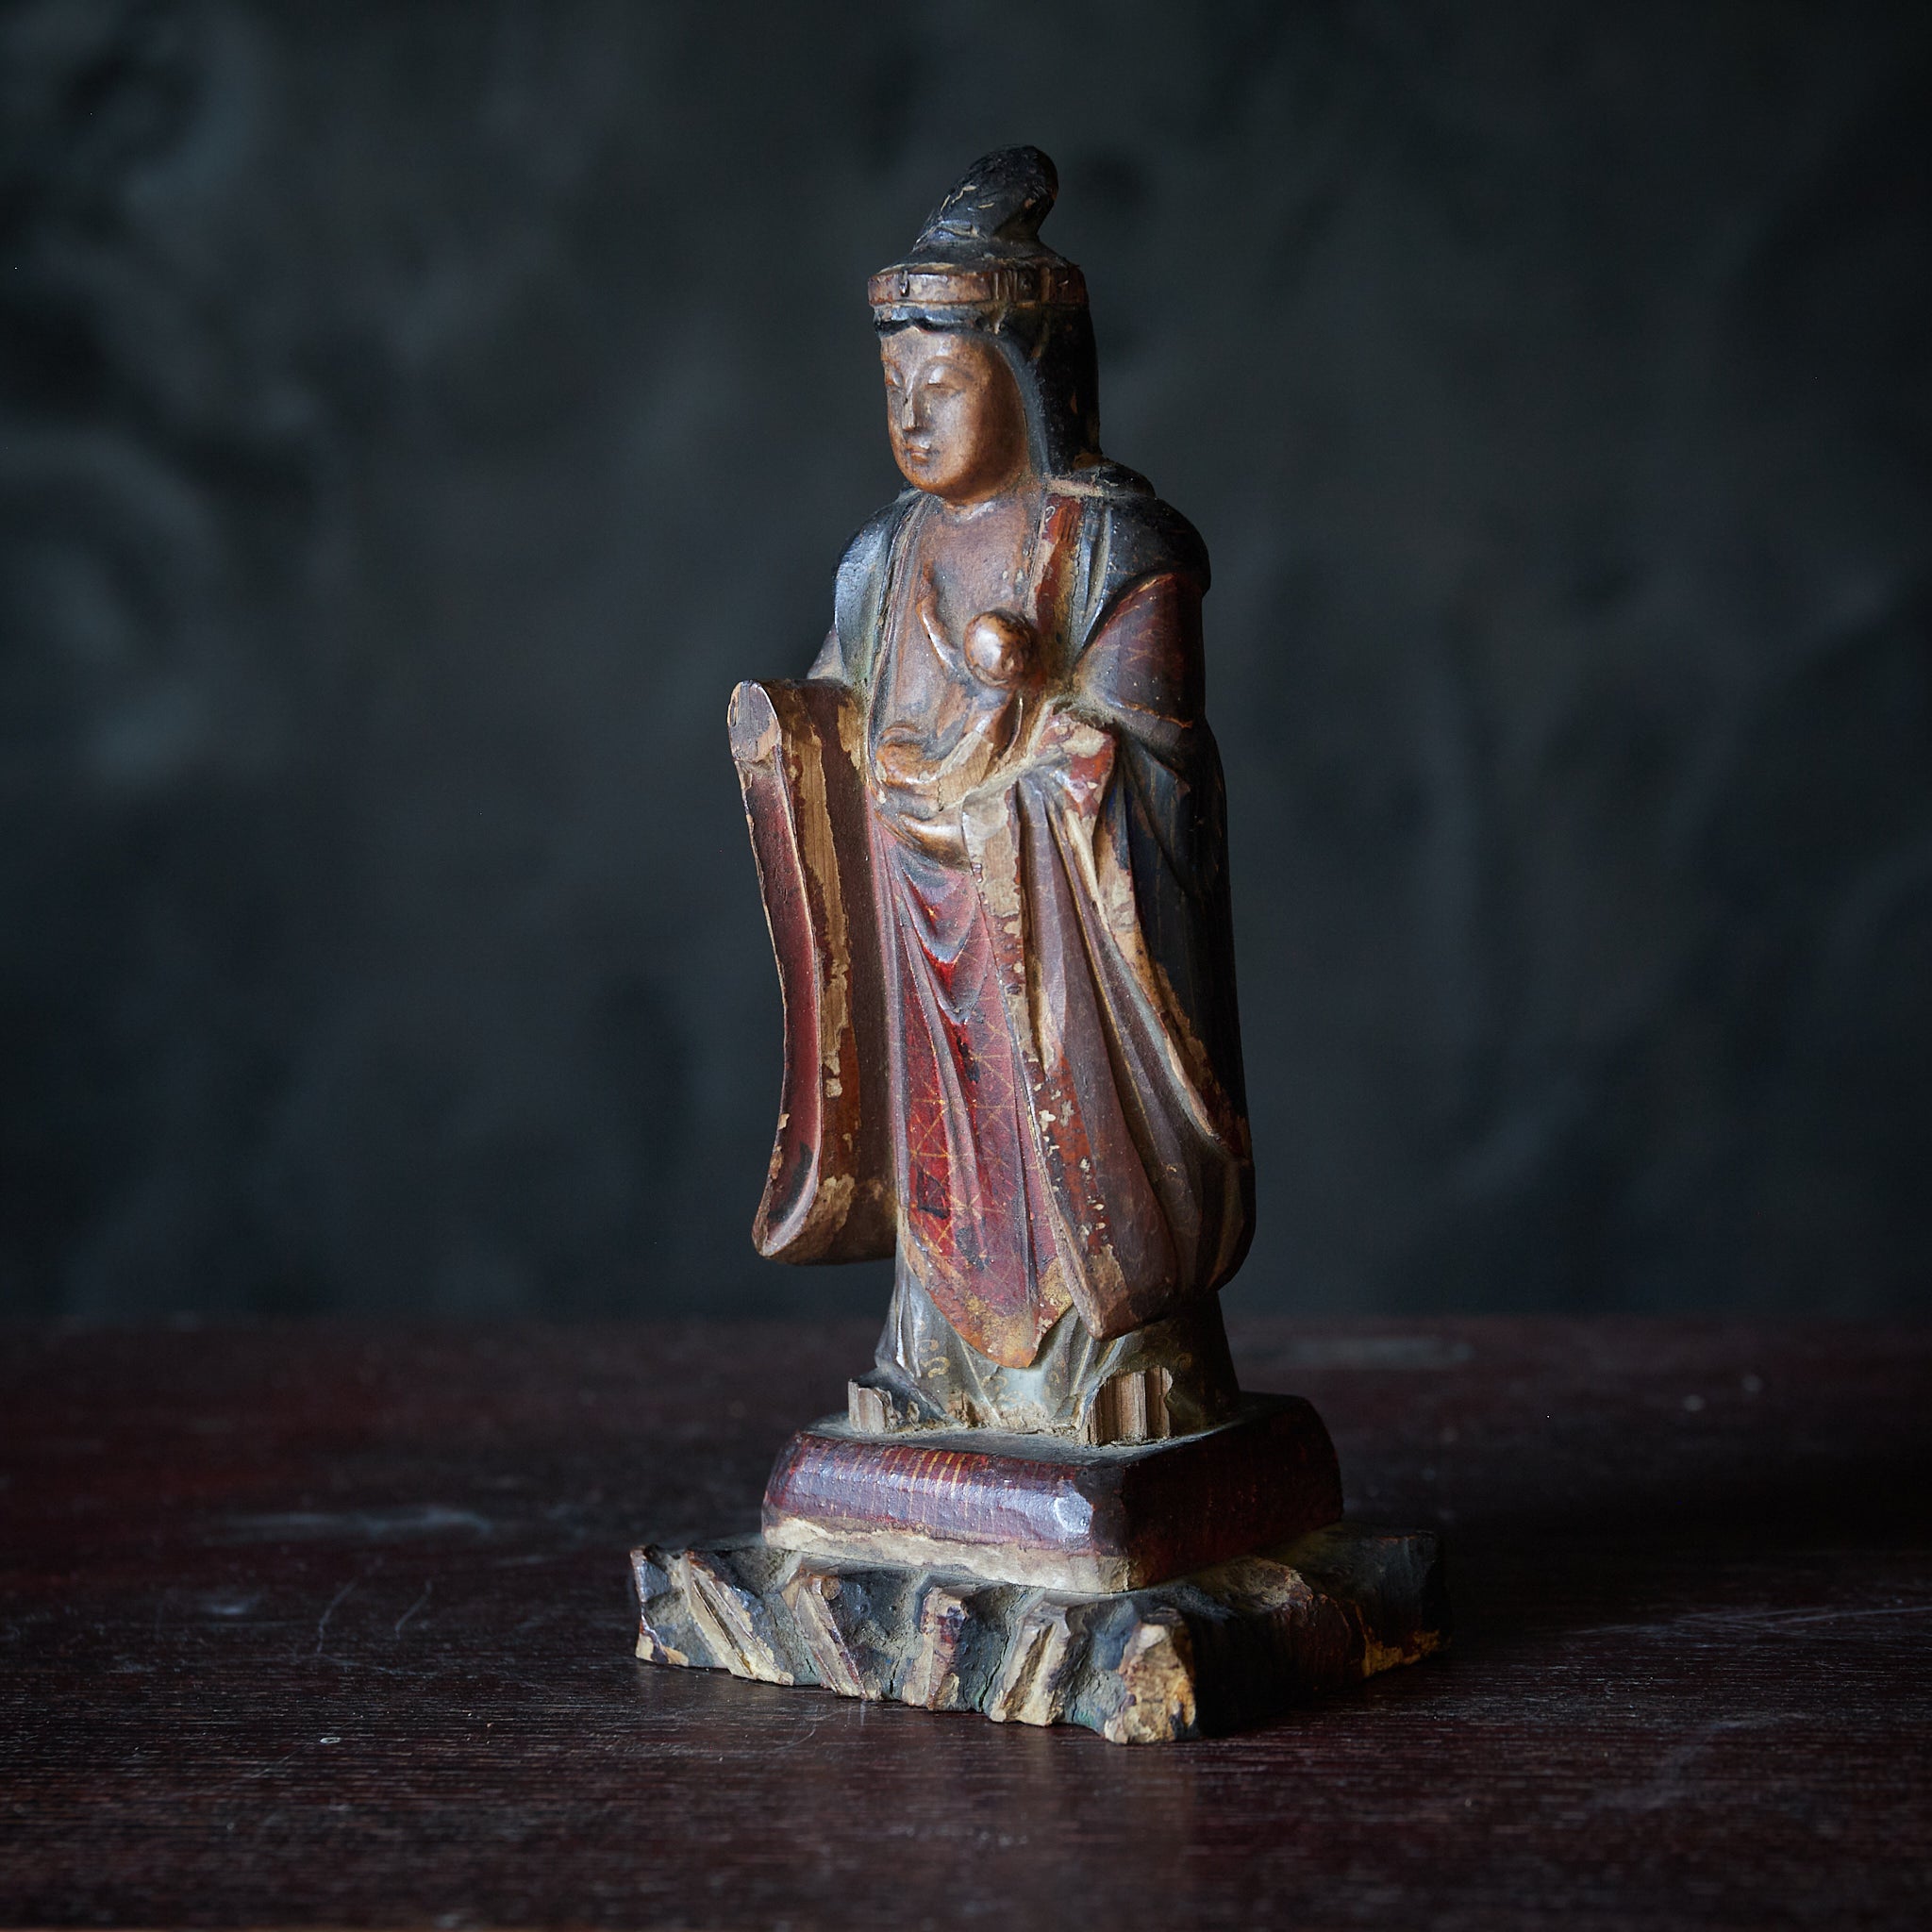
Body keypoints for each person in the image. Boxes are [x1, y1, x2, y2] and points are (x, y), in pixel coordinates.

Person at [740, 148, 1253, 1440]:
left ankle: (1124, 1357)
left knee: (1067, 1148)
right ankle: (940, 1368)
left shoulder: (1116, 550)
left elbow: (1155, 762)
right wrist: (792, 744)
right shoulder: (885, 556)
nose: (912, 419)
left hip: (1063, 942)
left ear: (1025, 383)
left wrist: (1032, 744)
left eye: (944, 386)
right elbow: (838, 716)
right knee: (944, 1153)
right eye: (894, 389)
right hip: (923, 925)